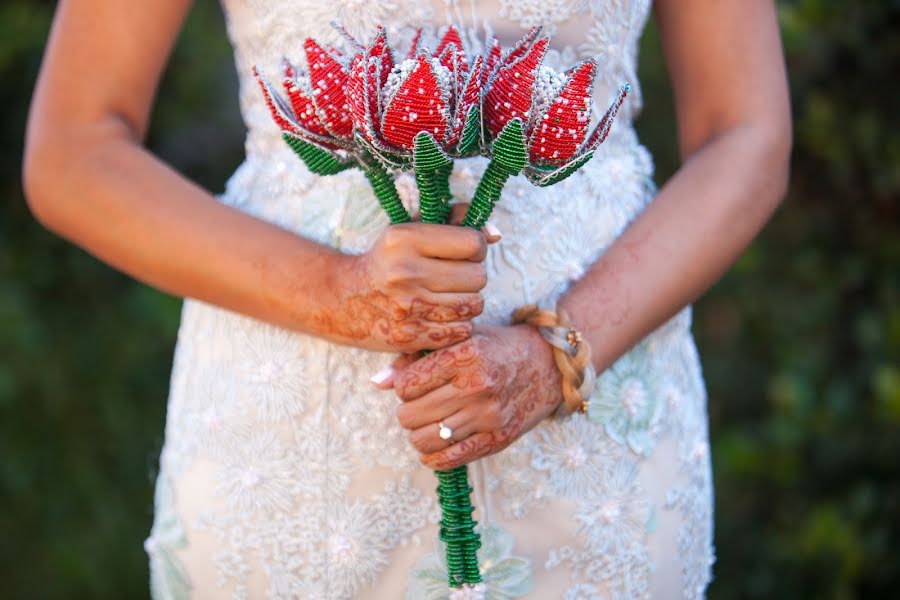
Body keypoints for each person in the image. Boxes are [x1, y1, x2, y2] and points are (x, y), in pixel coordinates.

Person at [23, 0, 791, 598]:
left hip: (597, 427)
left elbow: (745, 129)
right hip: (298, 429)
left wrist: (561, 350)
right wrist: (341, 295)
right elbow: (76, 149)